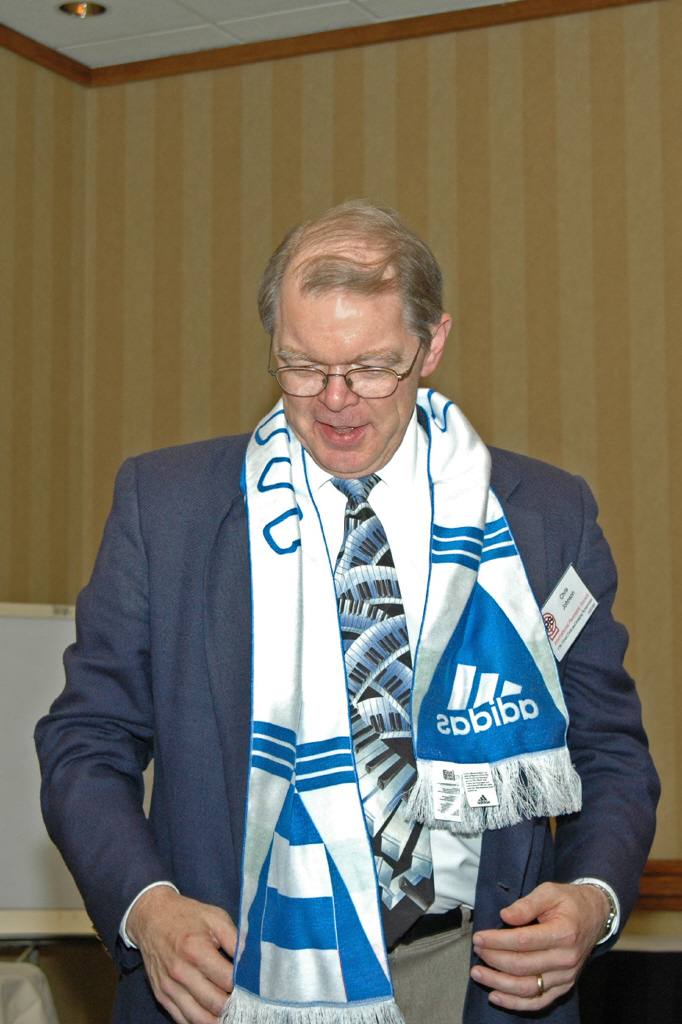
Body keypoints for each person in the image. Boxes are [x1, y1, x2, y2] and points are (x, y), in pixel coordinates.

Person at [36, 200, 659, 1024]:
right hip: (234, 975)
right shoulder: (168, 509)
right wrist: (147, 910)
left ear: (431, 345)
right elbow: (85, 743)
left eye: (371, 368)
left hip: (473, 977)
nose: (335, 400)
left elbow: (609, 753)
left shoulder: (543, 518)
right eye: (301, 366)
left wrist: (592, 899)